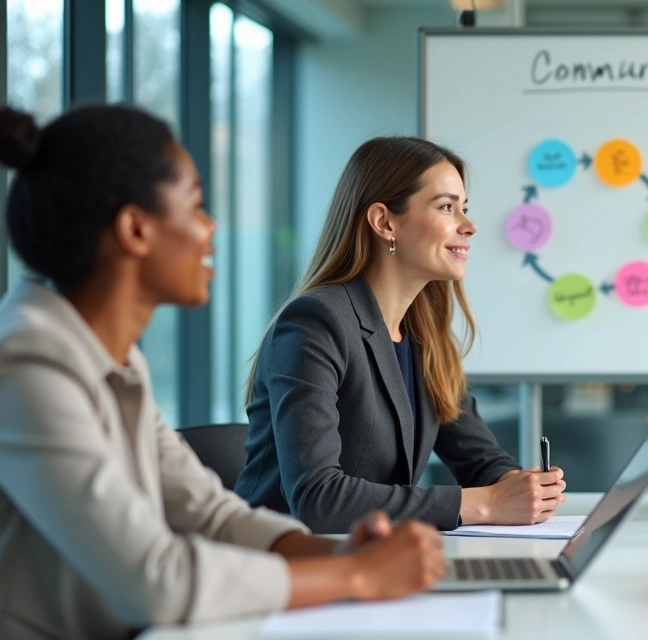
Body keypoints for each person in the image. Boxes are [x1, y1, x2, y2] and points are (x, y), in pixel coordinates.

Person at [0, 105, 447, 640]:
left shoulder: (111, 354)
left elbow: (212, 514)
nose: (211, 229)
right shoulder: (25, 364)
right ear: (135, 229)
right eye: (196, 207)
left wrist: (334, 551)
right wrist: (354, 574)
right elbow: (157, 579)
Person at [236, 137, 566, 534]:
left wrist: (520, 488)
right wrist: (486, 503)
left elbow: (478, 459)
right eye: (447, 207)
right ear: (385, 222)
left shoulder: (424, 334)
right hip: (288, 564)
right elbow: (318, 498)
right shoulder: (315, 322)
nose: (469, 225)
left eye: (464, 207)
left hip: (372, 560)